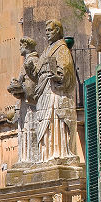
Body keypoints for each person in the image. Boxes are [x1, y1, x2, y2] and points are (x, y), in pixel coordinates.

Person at [34, 19, 77, 161]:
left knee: (55, 121)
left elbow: (66, 67)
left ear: (58, 31)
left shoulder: (62, 48)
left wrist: (58, 74)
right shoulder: (47, 50)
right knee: (46, 125)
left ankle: (57, 152)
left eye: (50, 30)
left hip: (55, 92)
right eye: (46, 31)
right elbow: (36, 71)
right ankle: (47, 154)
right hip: (44, 92)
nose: (47, 33)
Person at [7, 37, 40, 162]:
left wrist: (21, 87)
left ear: (26, 46)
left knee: (31, 130)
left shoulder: (33, 61)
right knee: (25, 132)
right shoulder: (25, 63)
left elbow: (35, 82)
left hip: (32, 105)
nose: (20, 47)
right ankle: (26, 158)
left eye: (21, 45)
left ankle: (31, 159)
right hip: (25, 106)